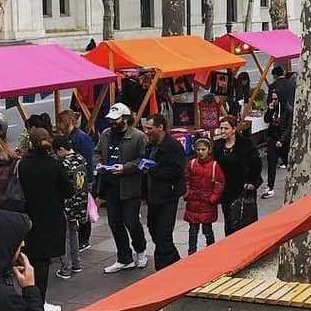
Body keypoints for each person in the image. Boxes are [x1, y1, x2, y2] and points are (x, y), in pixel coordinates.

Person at [16, 128, 71, 311]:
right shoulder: (54, 165)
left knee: (30, 257)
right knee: (43, 262)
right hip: (51, 216)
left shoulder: (23, 165)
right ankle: (39, 300)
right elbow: (68, 190)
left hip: (29, 217)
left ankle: (30, 298)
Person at [95, 103, 148, 274]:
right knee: (114, 223)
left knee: (131, 222)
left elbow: (143, 160)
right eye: (110, 119)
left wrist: (125, 168)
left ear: (125, 119)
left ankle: (140, 251)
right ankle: (124, 258)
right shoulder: (105, 134)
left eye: (116, 119)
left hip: (130, 187)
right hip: (110, 185)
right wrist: (98, 163)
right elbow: (96, 152)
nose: (112, 122)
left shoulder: (138, 136)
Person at [140, 114, 186, 271]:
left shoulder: (173, 146)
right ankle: (176, 262)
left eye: (149, 128)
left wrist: (153, 171)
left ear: (160, 128)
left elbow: (177, 171)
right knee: (154, 229)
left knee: (163, 234)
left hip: (168, 196)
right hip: (153, 196)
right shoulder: (150, 145)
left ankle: (162, 270)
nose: (146, 131)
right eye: (145, 128)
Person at [212, 116, 262, 236]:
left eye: (226, 128)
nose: (223, 131)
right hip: (226, 190)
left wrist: (252, 182)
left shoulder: (245, 144)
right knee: (229, 221)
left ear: (234, 129)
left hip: (243, 190)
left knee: (244, 222)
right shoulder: (218, 146)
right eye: (221, 128)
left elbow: (256, 164)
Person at [56, 110, 95, 251]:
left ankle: (84, 239)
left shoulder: (81, 138)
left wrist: (88, 181)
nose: (58, 126)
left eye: (60, 122)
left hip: (82, 178)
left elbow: (88, 161)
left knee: (83, 208)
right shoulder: (70, 136)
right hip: (76, 178)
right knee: (78, 208)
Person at [53, 136, 88, 280]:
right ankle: (76, 263)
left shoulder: (63, 164)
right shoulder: (81, 159)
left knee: (65, 235)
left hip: (67, 203)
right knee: (74, 232)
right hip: (80, 202)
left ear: (61, 149)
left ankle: (65, 268)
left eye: (56, 152)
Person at [184, 138, 225, 252]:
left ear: (209, 150)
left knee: (207, 230)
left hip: (207, 202)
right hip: (193, 201)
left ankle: (211, 251)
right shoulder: (192, 164)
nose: (201, 152)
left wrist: (213, 198)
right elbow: (186, 179)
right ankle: (191, 252)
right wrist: (187, 193)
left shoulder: (214, 165)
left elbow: (219, 183)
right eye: (198, 149)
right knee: (192, 231)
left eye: (203, 149)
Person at [262, 92, 291, 198]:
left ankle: (292, 181)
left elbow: (289, 127)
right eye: (272, 99)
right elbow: (266, 119)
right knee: (271, 163)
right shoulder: (273, 108)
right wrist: (269, 110)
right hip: (272, 139)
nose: (274, 101)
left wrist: (282, 140)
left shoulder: (288, 110)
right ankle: (270, 187)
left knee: (287, 161)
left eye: (276, 99)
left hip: (282, 140)